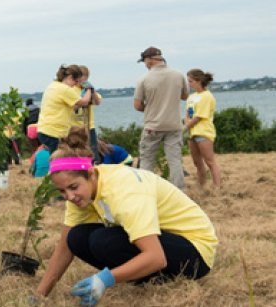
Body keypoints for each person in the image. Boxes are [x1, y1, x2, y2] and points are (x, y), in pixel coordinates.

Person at [33, 127, 217, 306]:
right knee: (77, 237)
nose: (69, 197)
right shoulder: (83, 192)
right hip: (163, 240)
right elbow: (65, 246)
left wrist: (105, 279)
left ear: (90, 173)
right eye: (62, 191)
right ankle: (145, 277)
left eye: (73, 187)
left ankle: (152, 277)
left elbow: (156, 257)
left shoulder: (124, 191)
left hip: (195, 252)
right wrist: (39, 296)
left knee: (102, 240)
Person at [133, 47, 188, 189]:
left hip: (153, 126)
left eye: (144, 61)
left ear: (149, 60)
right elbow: (184, 96)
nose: (145, 65)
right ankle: (180, 192)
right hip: (174, 125)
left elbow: (137, 105)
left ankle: (146, 191)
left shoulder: (143, 79)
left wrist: (151, 109)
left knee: (147, 161)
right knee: (175, 161)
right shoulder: (178, 75)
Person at [37, 65, 93, 154]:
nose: (75, 84)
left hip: (44, 129)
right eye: (76, 81)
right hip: (54, 132)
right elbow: (84, 102)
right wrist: (89, 89)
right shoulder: (65, 89)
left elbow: (72, 106)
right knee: (57, 160)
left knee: (56, 157)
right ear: (70, 77)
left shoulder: (53, 85)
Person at [184, 69, 221, 188]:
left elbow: (198, 117)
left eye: (190, 81)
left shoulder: (207, 96)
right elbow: (188, 114)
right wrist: (186, 126)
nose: (189, 84)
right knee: (197, 163)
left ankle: (217, 187)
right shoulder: (192, 96)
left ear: (199, 81)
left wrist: (183, 128)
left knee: (210, 162)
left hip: (203, 132)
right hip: (192, 133)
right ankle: (202, 186)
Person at [72, 65, 102, 163]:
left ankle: (94, 166)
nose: (83, 80)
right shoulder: (72, 89)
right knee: (75, 150)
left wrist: (91, 91)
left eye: (85, 77)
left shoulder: (88, 89)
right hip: (74, 126)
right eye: (81, 77)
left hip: (89, 126)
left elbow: (97, 102)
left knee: (92, 149)